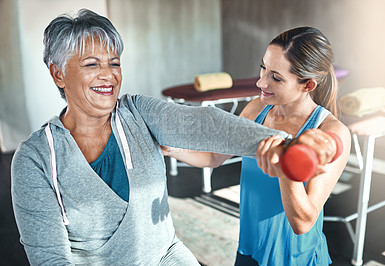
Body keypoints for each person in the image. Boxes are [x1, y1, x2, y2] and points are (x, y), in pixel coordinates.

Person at [11, 9, 337, 265]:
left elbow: (207, 125)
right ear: (58, 73)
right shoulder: (35, 158)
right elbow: (50, 258)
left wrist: (287, 145)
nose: (108, 74)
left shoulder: (138, 111)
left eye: (114, 62)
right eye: (91, 63)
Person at [163, 27, 351, 265]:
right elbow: (213, 157)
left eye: (276, 77)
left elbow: (303, 223)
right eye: (263, 68)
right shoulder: (256, 110)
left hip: (295, 257)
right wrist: (171, 149)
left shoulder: (332, 132)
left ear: (308, 85)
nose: (261, 82)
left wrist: (286, 169)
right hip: (249, 249)